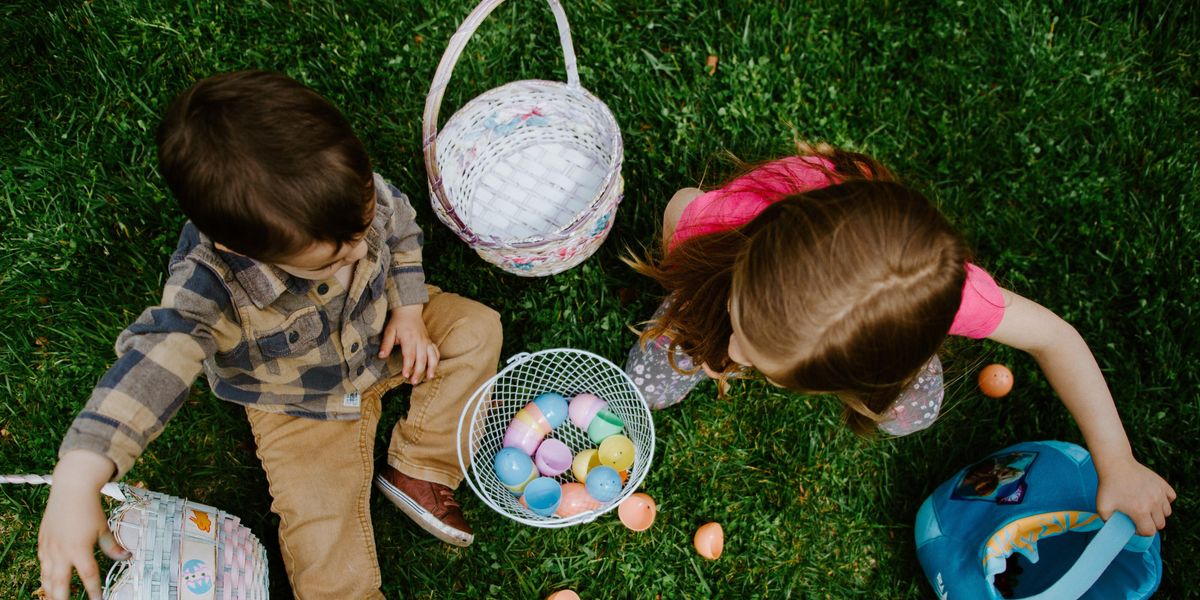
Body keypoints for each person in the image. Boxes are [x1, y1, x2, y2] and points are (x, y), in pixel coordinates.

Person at [37, 70, 502, 600]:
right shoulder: (211, 286)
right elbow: (156, 359)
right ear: (241, 249)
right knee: (322, 534)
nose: (359, 249)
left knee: (475, 328)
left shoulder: (345, 191)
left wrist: (411, 310)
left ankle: (419, 466)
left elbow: (400, 230)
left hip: (385, 331)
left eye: (363, 226)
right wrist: (80, 472)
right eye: (335, 257)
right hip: (297, 403)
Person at [625, 142, 1175, 536]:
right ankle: (703, 327)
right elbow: (680, 205)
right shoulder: (724, 224)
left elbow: (1055, 338)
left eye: (755, 355)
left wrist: (1118, 462)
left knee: (910, 412)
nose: (737, 356)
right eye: (740, 321)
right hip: (747, 248)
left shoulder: (953, 298)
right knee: (680, 342)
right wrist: (717, 311)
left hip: (872, 320)